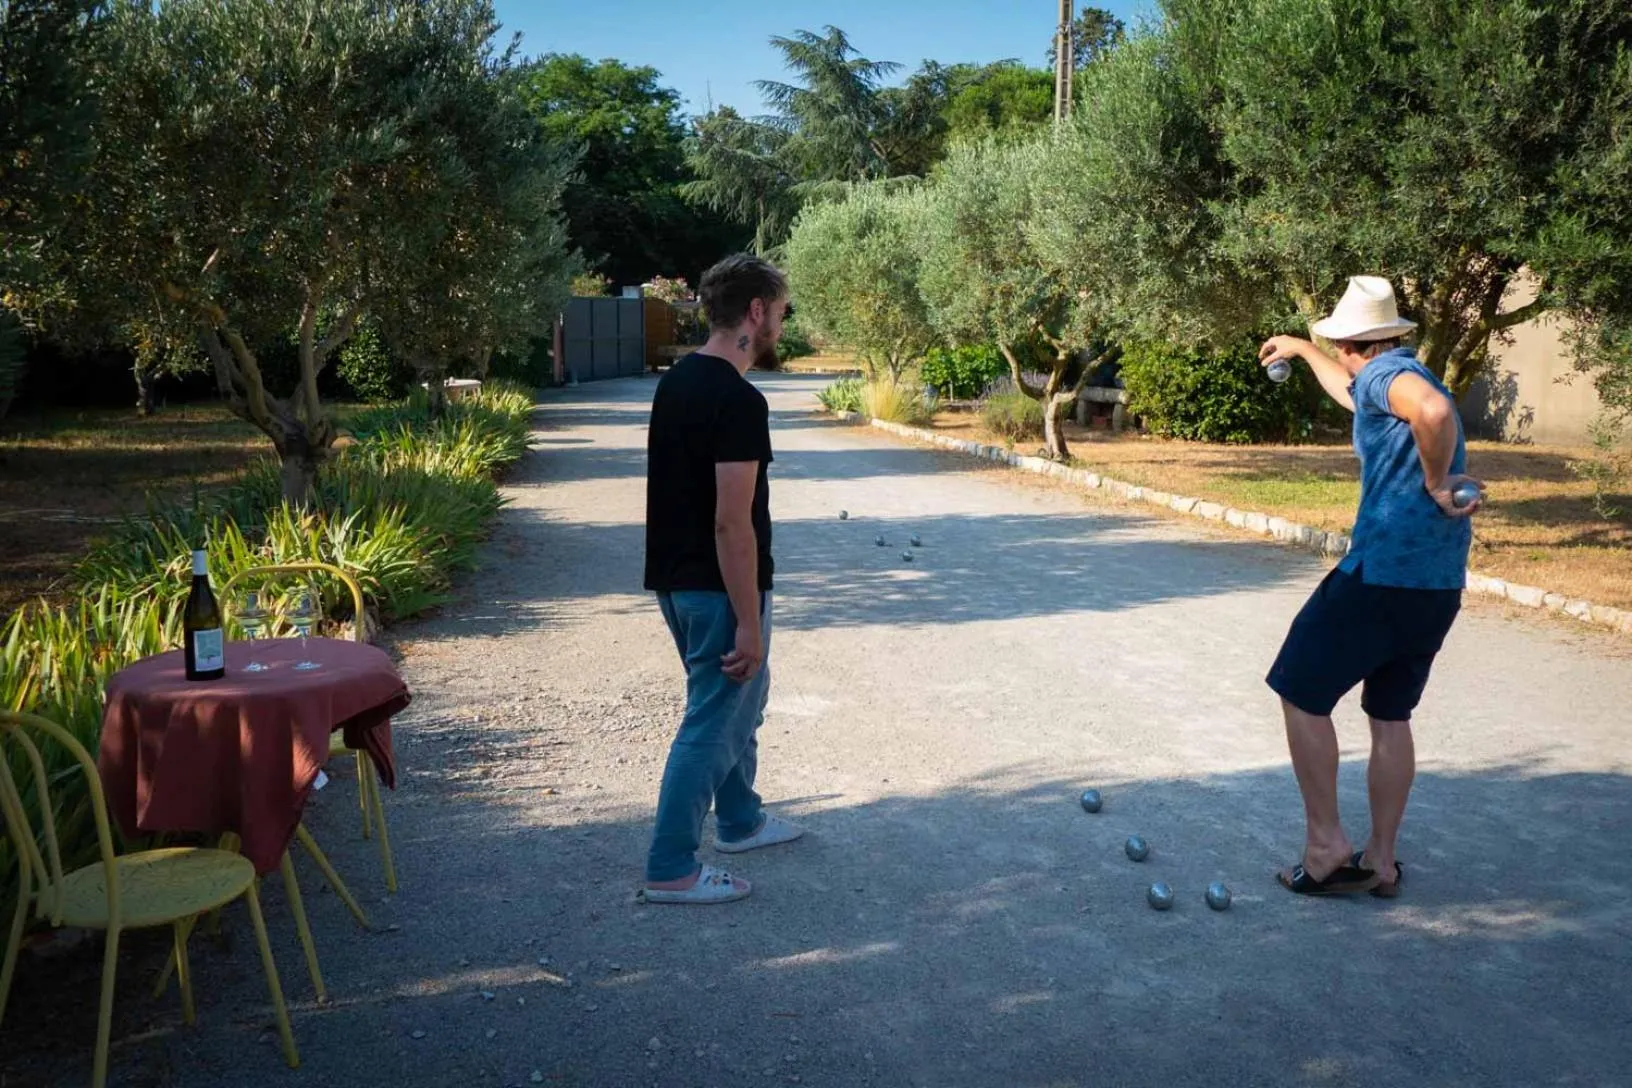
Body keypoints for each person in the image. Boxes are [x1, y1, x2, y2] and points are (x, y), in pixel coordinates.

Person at [1258, 275, 1482, 899]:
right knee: (1390, 715)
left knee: (1299, 688)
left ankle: (1326, 845)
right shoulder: (1397, 376)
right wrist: (1304, 354)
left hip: (1383, 573)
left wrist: (1437, 482)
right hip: (1436, 586)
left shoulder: (1394, 383)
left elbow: (1426, 413)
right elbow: (1361, 394)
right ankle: (1381, 860)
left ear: (1355, 342)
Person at [639, 254, 804, 904]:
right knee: (713, 716)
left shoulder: (677, 381)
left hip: (677, 583)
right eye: (781, 314)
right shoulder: (737, 399)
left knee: (736, 703)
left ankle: (739, 821)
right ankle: (670, 867)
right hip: (718, 589)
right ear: (756, 312)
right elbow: (732, 525)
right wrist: (746, 620)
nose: (781, 329)